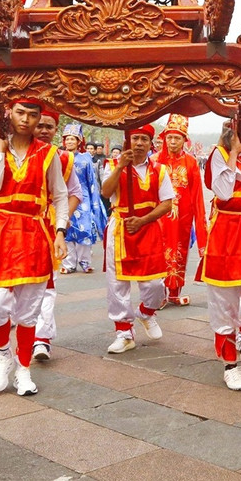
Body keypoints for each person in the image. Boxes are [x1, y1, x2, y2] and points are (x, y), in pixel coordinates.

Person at [0, 98, 68, 396]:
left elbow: (59, 195)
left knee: (29, 309)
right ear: (9, 113)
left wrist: (60, 232)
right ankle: (4, 354)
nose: (27, 120)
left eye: (33, 115)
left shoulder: (49, 153)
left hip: (34, 232)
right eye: (20, 113)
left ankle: (23, 368)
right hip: (0, 231)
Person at [199, 106, 241, 391]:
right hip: (226, 236)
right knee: (224, 304)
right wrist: (232, 153)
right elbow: (225, 193)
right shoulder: (220, 155)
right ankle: (230, 363)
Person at [100, 124, 173, 353]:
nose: (139, 143)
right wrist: (120, 167)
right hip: (120, 228)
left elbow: (167, 203)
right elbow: (105, 192)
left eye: (144, 139)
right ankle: (124, 332)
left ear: (151, 144)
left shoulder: (160, 170)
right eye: (135, 138)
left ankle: (146, 312)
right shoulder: (112, 165)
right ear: (127, 141)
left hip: (148, 227)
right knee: (117, 284)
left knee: (155, 284)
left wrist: (143, 220)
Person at [33, 109, 82, 361]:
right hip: (12, 226)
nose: (43, 130)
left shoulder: (63, 159)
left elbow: (74, 192)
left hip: (49, 226)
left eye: (49, 126)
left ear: (56, 131)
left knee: (48, 283)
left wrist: (61, 219)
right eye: (39, 124)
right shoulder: (11, 153)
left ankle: (41, 339)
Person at [153, 114, 207, 306]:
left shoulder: (191, 163)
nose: (173, 141)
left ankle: (174, 292)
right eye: (170, 137)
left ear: (185, 140)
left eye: (177, 137)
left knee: (178, 252)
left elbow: (198, 198)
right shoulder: (154, 161)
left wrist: (201, 231)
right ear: (164, 138)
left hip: (182, 219)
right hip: (158, 218)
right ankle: (157, 295)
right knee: (157, 253)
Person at [60, 123, 106, 275]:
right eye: (67, 139)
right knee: (66, 229)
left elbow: (92, 182)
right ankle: (68, 264)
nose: (70, 142)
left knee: (84, 229)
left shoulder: (86, 159)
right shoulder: (60, 157)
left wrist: (94, 203)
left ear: (79, 141)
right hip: (65, 197)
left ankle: (85, 262)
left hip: (84, 198)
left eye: (73, 139)